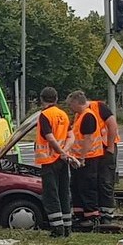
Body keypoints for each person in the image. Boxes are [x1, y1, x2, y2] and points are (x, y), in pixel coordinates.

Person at [35, 87, 80, 237]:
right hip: (62, 161)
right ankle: (67, 227)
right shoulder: (63, 115)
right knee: (63, 193)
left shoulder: (44, 115)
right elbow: (71, 137)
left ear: (42, 99)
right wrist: (65, 152)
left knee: (51, 194)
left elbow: (50, 138)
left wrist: (60, 152)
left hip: (49, 160)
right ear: (56, 99)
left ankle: (57, 228)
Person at [67, 90, 106, 229]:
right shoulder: (80, 115)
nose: (70, 107)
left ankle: (92, 216)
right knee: (77, 186)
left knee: (87, 187)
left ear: (77, 102)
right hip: (78, 158)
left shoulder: (88, 116)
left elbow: (88, 139)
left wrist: (82, 157)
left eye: (70, 104)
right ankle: (80, 214)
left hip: (88, 158)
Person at [92, 99, 120, 224]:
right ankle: (101, 212)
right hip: (97, 150)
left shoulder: (98, 107)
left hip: (107, 148)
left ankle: (107, 215)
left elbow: (112, 123)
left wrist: (110, 146)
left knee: (106, 181)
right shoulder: (81, 112)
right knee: (98, 181)